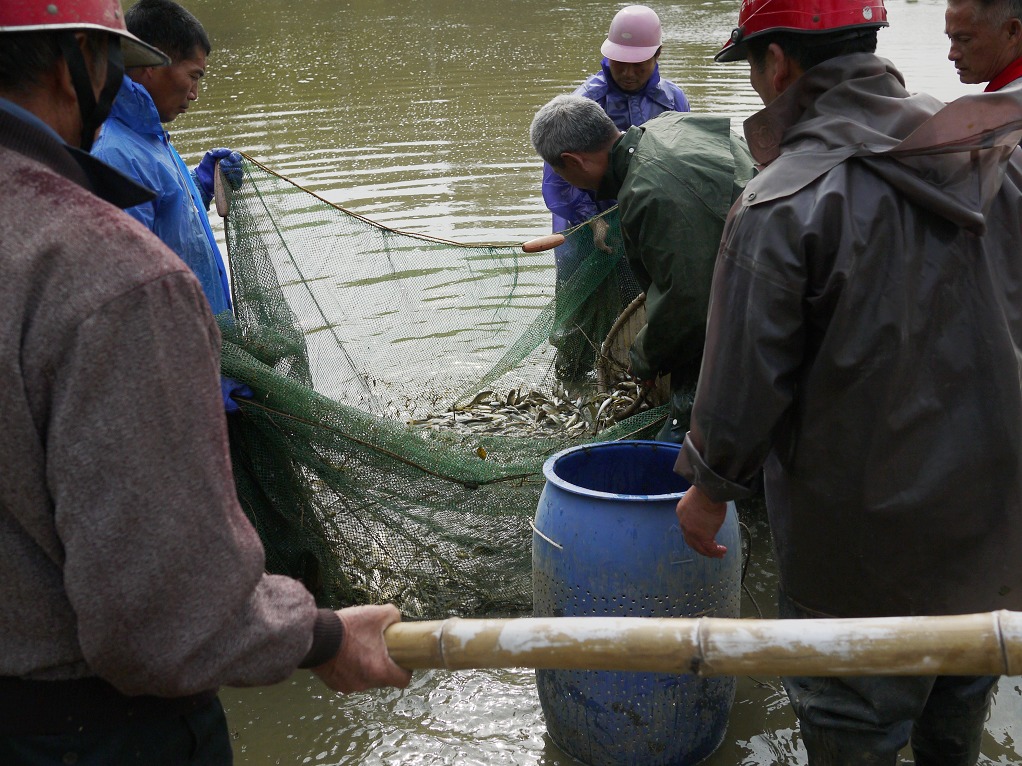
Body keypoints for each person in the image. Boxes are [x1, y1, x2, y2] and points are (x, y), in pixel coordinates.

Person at [0, 2, 411, 762]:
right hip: (81, 729)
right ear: (74, 65)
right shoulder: (106, 272)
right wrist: (319, 635)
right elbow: (161, 616)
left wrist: (196, 181)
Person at [673, 0, 1022, 761]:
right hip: (992, 539)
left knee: (853, 734)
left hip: (860, 566)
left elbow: (741, 389)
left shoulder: (779, 201)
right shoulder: (989, 148)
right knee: (954, 727)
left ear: (779, 64)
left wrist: (706, 489)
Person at [531, 95, 754, 443]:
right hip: (768, 257)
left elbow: (689, 300)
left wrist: (644, 359)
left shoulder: (646, 191)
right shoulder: (670, 124)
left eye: (561, 173)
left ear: (572, 161)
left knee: (677, 442)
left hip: (758, 302)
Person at [91, 0, 251, 411]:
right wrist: (195, 380)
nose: (195, 93)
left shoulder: (150, 138)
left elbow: (168, 230)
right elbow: (132, 298)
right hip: (180, 384)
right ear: (149, 65)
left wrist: (201, 185)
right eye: (193, 76)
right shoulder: (116, 153)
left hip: (206, 359)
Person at [542, 4, 691, 382]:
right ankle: (573, 377)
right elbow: (558, 175)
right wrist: (589, 221)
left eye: (637, 64)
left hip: (641, 220)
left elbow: (682, 163)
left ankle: (626, 376)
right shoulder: (584, 103)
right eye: (619, 63)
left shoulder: (673, 101)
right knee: (580, 306)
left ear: (658, 55)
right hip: (584, 224)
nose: (626, 73)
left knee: (639, 299)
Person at [946, 0, 1022, 90]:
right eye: (950, 38)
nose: (952, 55)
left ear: (1012, 32)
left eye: (964, 39)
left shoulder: (1004, 101)